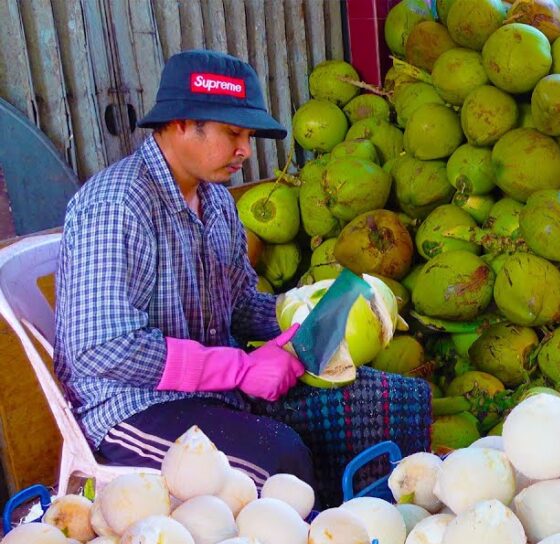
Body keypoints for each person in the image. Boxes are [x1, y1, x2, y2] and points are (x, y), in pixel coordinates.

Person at [55, 50, 430, 503]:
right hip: (131, 408)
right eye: (233, 133)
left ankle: (371, 529)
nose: (246, 151)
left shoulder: (215, 203)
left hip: (215, 392)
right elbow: (101, 349)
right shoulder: (118, 205)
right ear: (180, 123)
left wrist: (308, 313)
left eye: (249, 136)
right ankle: (311, 542)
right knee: (278, 463)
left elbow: (238, 305)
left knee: (393, 400)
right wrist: (243, 368)